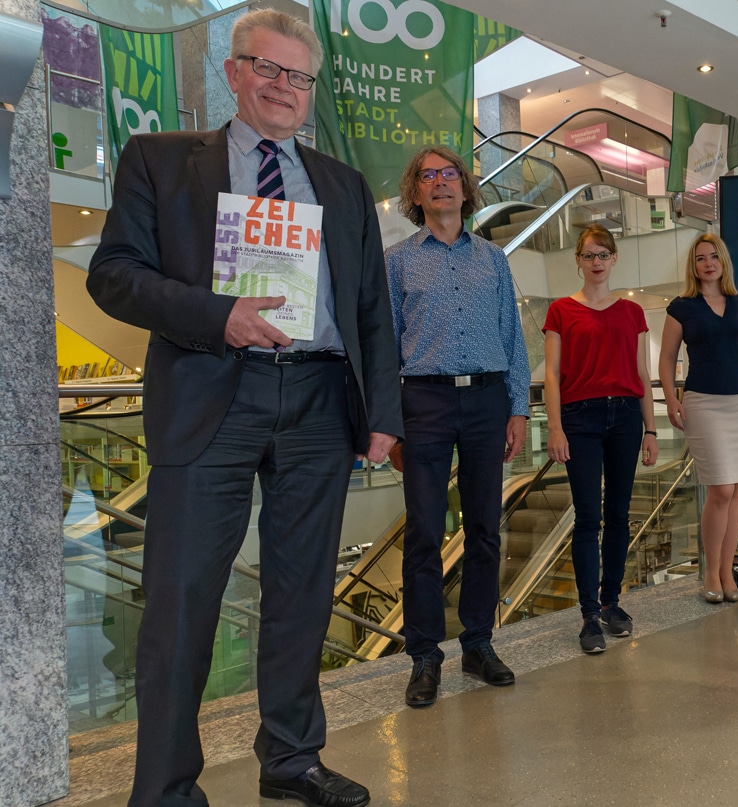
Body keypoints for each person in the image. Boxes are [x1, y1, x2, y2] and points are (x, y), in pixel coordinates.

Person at [86, 9, 400, 806]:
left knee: (301, 594)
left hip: (322, 400)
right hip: (210, 391)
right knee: (183, 598)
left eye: (299, 76)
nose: (284, 88)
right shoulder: (161, 162)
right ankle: (163, 787)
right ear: (233, 71)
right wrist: (214, 312)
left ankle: (292, 759)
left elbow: (370, 309)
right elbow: (113, 273)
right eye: (269, 68)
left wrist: (384, 415)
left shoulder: (343, 183)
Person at [386, 145, 531, 708]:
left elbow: (513, 339)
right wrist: (390, 423)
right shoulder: (398, 261)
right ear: (416, 192)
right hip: (422, 401)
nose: (441, 183)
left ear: (466, 189)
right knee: (423, 532)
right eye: (429, 176)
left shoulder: (493, 260)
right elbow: (385, 343)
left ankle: (478, 643)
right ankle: (424, 656)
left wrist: (517, 408)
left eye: (450, 174)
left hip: (487, 401)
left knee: (485, 530)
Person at [543, 224, 659, 654]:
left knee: (620, 514)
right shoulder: (560, 311)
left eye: (603, 255)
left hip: (627, 416)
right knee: (588, 517)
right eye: (589, 255)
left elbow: (643, 376)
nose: (596, 262)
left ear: (614, 260)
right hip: (581, 418)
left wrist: (651, 429)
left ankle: (612, 603)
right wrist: (555, 427)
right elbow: (552, 376)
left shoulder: (632, 314)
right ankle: (589, 614)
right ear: (577, 261)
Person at [658, 233, 738, 603]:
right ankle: (710, 570)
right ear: (694, 265)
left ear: (724, 262)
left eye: (714, 257)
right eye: (701, 258)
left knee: (736, 488)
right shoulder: (682, 306)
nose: (708, 263)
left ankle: (726, 570)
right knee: (720, 488)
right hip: (703, 403)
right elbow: (667, 359)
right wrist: (672, 397)